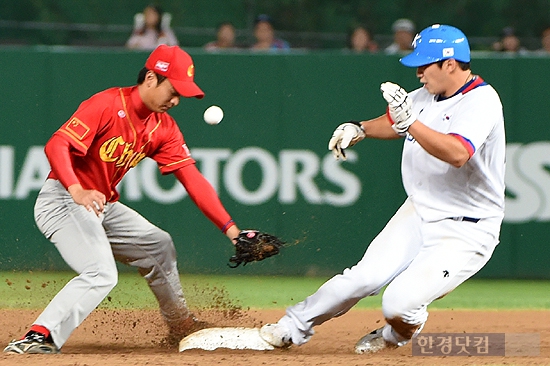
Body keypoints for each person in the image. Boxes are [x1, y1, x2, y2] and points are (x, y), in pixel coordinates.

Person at [259, 24, 505, 354]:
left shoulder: (482, 100)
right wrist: (359, 128)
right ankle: (290, 327)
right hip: (420, 209)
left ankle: (400, 333)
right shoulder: (425, 96)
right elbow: (394, 121)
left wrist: (410, 125)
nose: (418, 72)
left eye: (425, 64)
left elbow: (458, 153)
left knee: (398, 304)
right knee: (362, 277)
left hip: (467, 228)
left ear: (450, 63)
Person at [3, 45, 243, 354]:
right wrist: (77, 189)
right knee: (100, 272)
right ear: (152, 78)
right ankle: (40, 336)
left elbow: (193, 180)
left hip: (102, 206)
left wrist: (233, 232)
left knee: (159, 244)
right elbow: (56, 145)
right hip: (64, 199)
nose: (176, 100)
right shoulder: (106, 104)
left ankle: (181, 325)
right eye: (173, 90)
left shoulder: (163, 126)